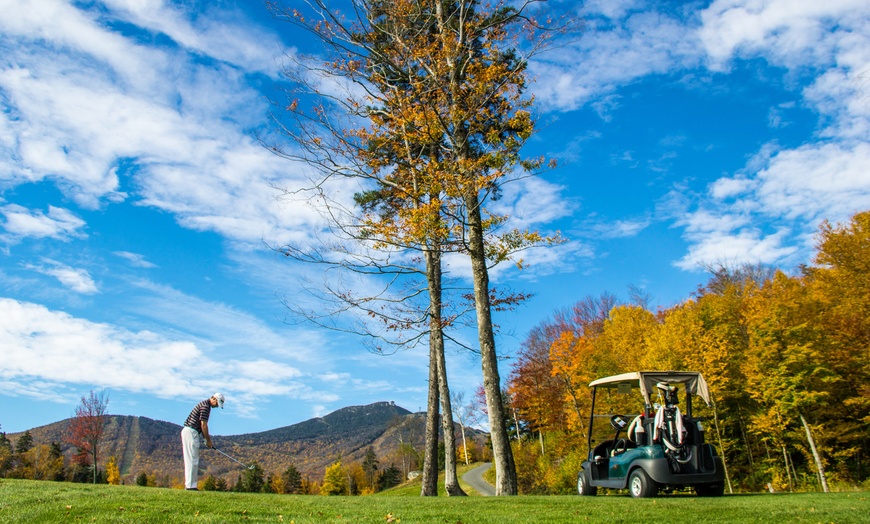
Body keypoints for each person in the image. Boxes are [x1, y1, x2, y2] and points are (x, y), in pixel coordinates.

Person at [181, 392, 224, 490]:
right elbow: (203, 425)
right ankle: (190, 486)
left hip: (191, 431)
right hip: (191, 432)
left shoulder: (205, 405)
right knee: (192, 459)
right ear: (213, 398)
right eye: (217, 404)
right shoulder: (205, 406)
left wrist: (205, 439)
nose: (217, 406)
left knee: (192, 459)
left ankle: (190, 485)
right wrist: (208, 440)